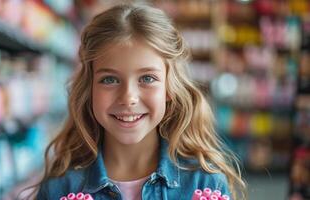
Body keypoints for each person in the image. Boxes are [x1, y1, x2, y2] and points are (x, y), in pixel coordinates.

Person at [34, 3, 246, 200]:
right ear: (90, 88)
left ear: (169, 88)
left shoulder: (205, 183)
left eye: (147, 79)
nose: (128, 97)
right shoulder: (59, 188)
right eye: (109, 79)